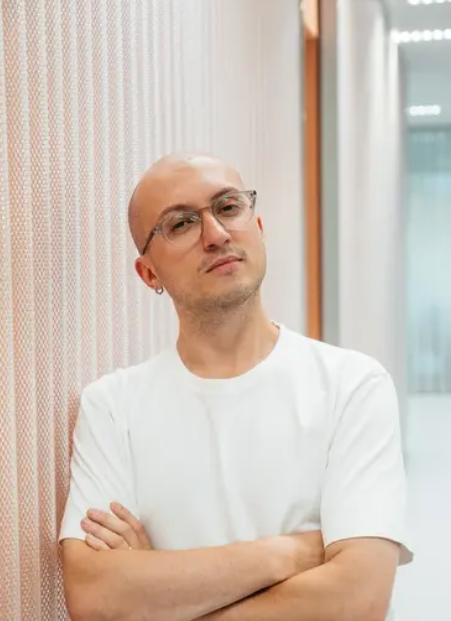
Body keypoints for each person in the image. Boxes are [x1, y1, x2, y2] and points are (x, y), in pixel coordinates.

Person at [59, 154, 412, 621]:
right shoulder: (111, 407)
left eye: (228, 207)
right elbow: (94, 596)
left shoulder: (352, 386)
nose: (216, 234)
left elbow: (357, 601)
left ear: (258, 228)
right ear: (149, 274)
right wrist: (290, 552)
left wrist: (161, 592)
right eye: (181, 224)